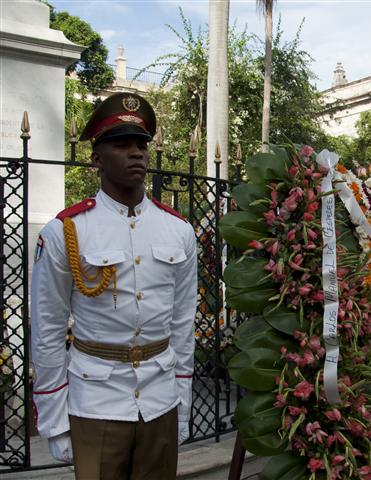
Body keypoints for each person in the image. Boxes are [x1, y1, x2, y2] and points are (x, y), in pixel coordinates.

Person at [31, 92, 197, 479]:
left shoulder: (178, 230)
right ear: (96, 157)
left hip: (160, 400)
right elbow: (48, 329)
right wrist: (55, 419)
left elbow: (182, 325)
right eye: (121, 145)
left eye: (141, 145)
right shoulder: (66, 232)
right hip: (96, 402)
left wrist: (183, 402)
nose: (136, 153)